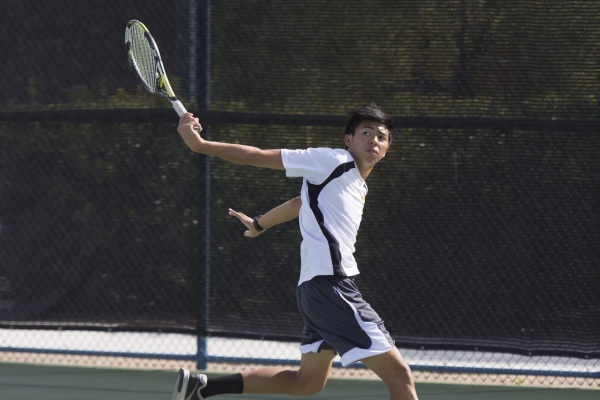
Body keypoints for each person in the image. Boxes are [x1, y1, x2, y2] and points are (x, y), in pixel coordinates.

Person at [172, 105, 419, 400]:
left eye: (381, 136)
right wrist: (200, 145)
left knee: (307, 383)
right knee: (400, 377)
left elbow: (298, 203)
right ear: (348, 140)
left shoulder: (352, 182)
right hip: (331, 287)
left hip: (313, 292)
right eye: (366, 133)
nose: (374, 140)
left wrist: (259, 224)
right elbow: (260, 156)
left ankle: (203, 388)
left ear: (386, 149)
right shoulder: (333, 161)